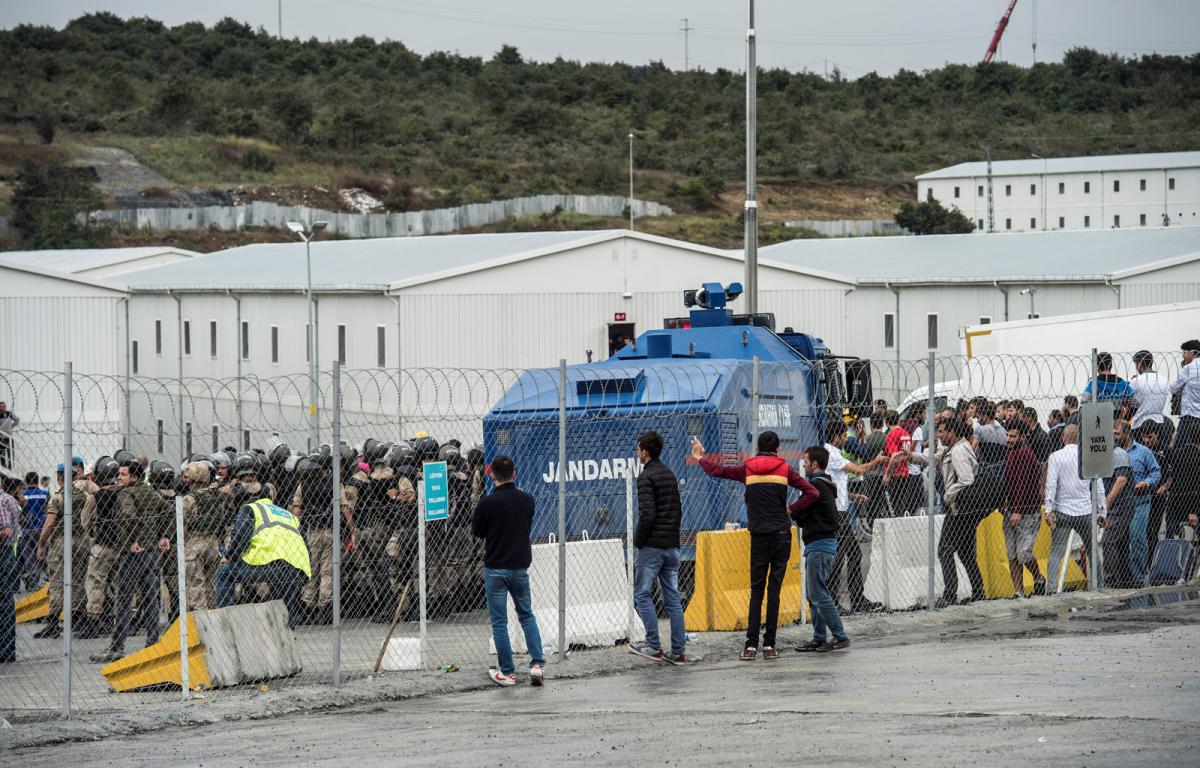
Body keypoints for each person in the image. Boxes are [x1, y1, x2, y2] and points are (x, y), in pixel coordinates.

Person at [694, 430, 818, 661]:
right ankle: (770, 645)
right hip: (782, 534)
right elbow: (812, 491)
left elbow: (718, 471)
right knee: (774, 592)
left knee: (756, 591)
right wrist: (791, 509)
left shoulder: (748, 469)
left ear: (758, 448)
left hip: (759, 536)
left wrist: (701, 457)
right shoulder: (785, 469)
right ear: (777, 449)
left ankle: (750, 646)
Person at [471, 454, 545, 687]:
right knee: (526, 614)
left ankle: (507, 672)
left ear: (491, 476)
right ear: (514, 473)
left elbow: (478, 533)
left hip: (495, 567)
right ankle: (536, 664)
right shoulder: (527, 500)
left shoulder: (487, 503)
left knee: (500, 622)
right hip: (520, 565)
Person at [91, 460, 168, 663]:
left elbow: (127, 517)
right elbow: (168, 510)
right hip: (151, 552)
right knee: (150, 598)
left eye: (123, 475)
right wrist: (165, 536)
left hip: (133, 554)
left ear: (133, 477)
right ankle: (152, 642)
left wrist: (131, 542)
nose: (119, 478)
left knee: (124, 599)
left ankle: (117, 647)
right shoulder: (150, 491)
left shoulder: (126, 494)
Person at [628, 431, 686, 665]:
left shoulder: (645, 477)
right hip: (672, 545)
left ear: (645, 451)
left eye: (638, 449)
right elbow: (678, 510)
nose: (637, 452)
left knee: (642, 594)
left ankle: (653, 645)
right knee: (672, 598)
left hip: (652, 546)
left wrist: (638, 540)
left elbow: (647, 515)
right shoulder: (669, 474)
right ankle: (678, 651)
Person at [214, 490, 311, 630]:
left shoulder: (250, 508)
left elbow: (241, 535)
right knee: (284, 606)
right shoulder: (287, 514)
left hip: (267, 561)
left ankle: (225, 625)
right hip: (295, 565)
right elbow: (304, 543)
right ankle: (287, 635)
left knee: (223, 573)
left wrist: (229, 557)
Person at [823, 421, 884, 613]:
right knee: (840, 556)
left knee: (853, 553)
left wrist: (851, 496)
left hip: (840, 510)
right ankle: (834, 600)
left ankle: (857, 599)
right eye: (844, 436)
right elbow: (858, 470)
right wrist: (877, 461)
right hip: (836, 513)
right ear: (837, 437)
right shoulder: (831, 453)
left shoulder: (833, 453)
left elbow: (834, 485)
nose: (845, 440)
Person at [793, 446, 850, 653]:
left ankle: (839, 635)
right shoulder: (825, 484)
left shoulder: (814, 486)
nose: (803, 464)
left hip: (819, 544)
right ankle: (819, 637)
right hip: (819, 544)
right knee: (813, 593)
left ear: (815, 463)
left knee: (818, 593)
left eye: (805, 460)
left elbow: (799, 511)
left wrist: (796, 512)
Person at [33, 459, 93, 639]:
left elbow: (50, 523)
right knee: (78, 580)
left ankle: (53, 622)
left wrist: (42, 543)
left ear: (59, 477)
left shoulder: (58, 497)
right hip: (82, 541)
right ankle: (79, 619)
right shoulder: (85, 496)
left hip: (61, 542)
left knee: (58, 581)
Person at [1044, 425, 1107, 593]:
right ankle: (1100, 585)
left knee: (1057, 551)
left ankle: (1050, 588)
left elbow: (1051, 483)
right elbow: (1098, 484)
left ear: (1063, 437)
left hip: (1062, 510)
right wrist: (1102, 511)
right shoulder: (1088, 456)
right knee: (1093, 549)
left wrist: (1048, 509)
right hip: (1085, 510)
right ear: (1079, 438)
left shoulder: (1056, 457)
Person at [83, 456, 124, 639]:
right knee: (118, 584)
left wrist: (94, 534)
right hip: (122, 547)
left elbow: (86, 522)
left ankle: (93, 621)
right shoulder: (125, 493)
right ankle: (115, 619)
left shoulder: (96, 497)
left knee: (96, 583)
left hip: (102, 546)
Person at [1004, 425, 1045, 597]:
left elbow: (1022, 484)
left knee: (1023, 553)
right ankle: (1018, 591)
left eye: (1013, 436)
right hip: (1011, 509)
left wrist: (1018, 511)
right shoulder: (1010, 453)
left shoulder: (1025, 454)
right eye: (1008, 435)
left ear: (1022, 437)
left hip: (1026, 512)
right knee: (1012, 554)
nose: (1009, 439)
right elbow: (1007, 481)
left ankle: (1038, 578)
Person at [1118, 420, 1160, 585]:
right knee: (1120, 540)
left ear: (1127, 434)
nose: (1114, 437)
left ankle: (1138, 577)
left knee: (1136, 537)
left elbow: (1156, 471)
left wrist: (1147, 482)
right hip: (1120, 502)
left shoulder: (1144, 452)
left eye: (1117, 433)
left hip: (1140, 501)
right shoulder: (1113, 453)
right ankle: (1123, 576)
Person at [1101, 426, 1136, 589]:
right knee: (1120, 542)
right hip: (1117, 505)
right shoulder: (1105, 455)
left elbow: (1121, 480)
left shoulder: (1119, 454)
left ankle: (1110, 581)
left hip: (1121, 505)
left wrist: (1107, 502)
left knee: (1108, 541)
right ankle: (1125, 580)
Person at [1130, 351, 1172, 438]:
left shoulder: (1136, 381)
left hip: (1139, 423)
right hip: (1159, 422)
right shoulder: (1164, 379)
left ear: (1139, 363)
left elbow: (1131, 402)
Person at [0, 476, 20, 662]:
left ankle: (5, 650)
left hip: (2, 553)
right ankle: (7, 649)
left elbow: (5, 531)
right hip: (6, 555)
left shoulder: (1, 500)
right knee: (5, 602)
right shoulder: (8, 499)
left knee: (4, 603)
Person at [20, 471, 49, 591]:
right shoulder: (45, 494)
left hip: (26, 530)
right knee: (44, 555)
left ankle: (33, 586)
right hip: (42, 529)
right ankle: (49, 580)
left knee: (30, 558)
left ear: (26, 482)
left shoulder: (22, 495)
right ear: (37, 481)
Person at [1170, 340, 1200, 454]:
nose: (1183, 356)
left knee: (1180, 448)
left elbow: (1174, 388)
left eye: (1185, 352)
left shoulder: (1189, 368)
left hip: (1189, 415)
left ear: (1193, 353)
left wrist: (1184, 368)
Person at [0, 401, 18, 469]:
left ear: (5, 407)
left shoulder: (9, 414)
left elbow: (17, 420)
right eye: (0, 407)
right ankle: (3, 469)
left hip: (9, 438)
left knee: (10, 454)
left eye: (3, 406)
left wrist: (11, 427)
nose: (1, 408)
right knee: (2, 455)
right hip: (1, 438)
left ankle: (10, 468)